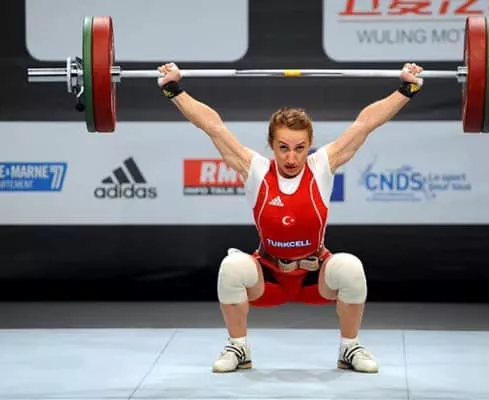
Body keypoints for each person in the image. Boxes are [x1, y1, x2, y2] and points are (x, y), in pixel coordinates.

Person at [157, 62, 424, 374]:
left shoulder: (322, 165)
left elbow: (365, 124)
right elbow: (213, 127)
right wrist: (173, 89)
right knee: (232, 267)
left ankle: (349, 347)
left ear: (309, 145)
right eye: (283, 148)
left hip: (315, 278)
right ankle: (238, 347)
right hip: (268, 278)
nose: (292, 157)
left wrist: (407, 89)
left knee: (350, 267)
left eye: (300, 148)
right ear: (271, 145)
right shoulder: (255, 169)